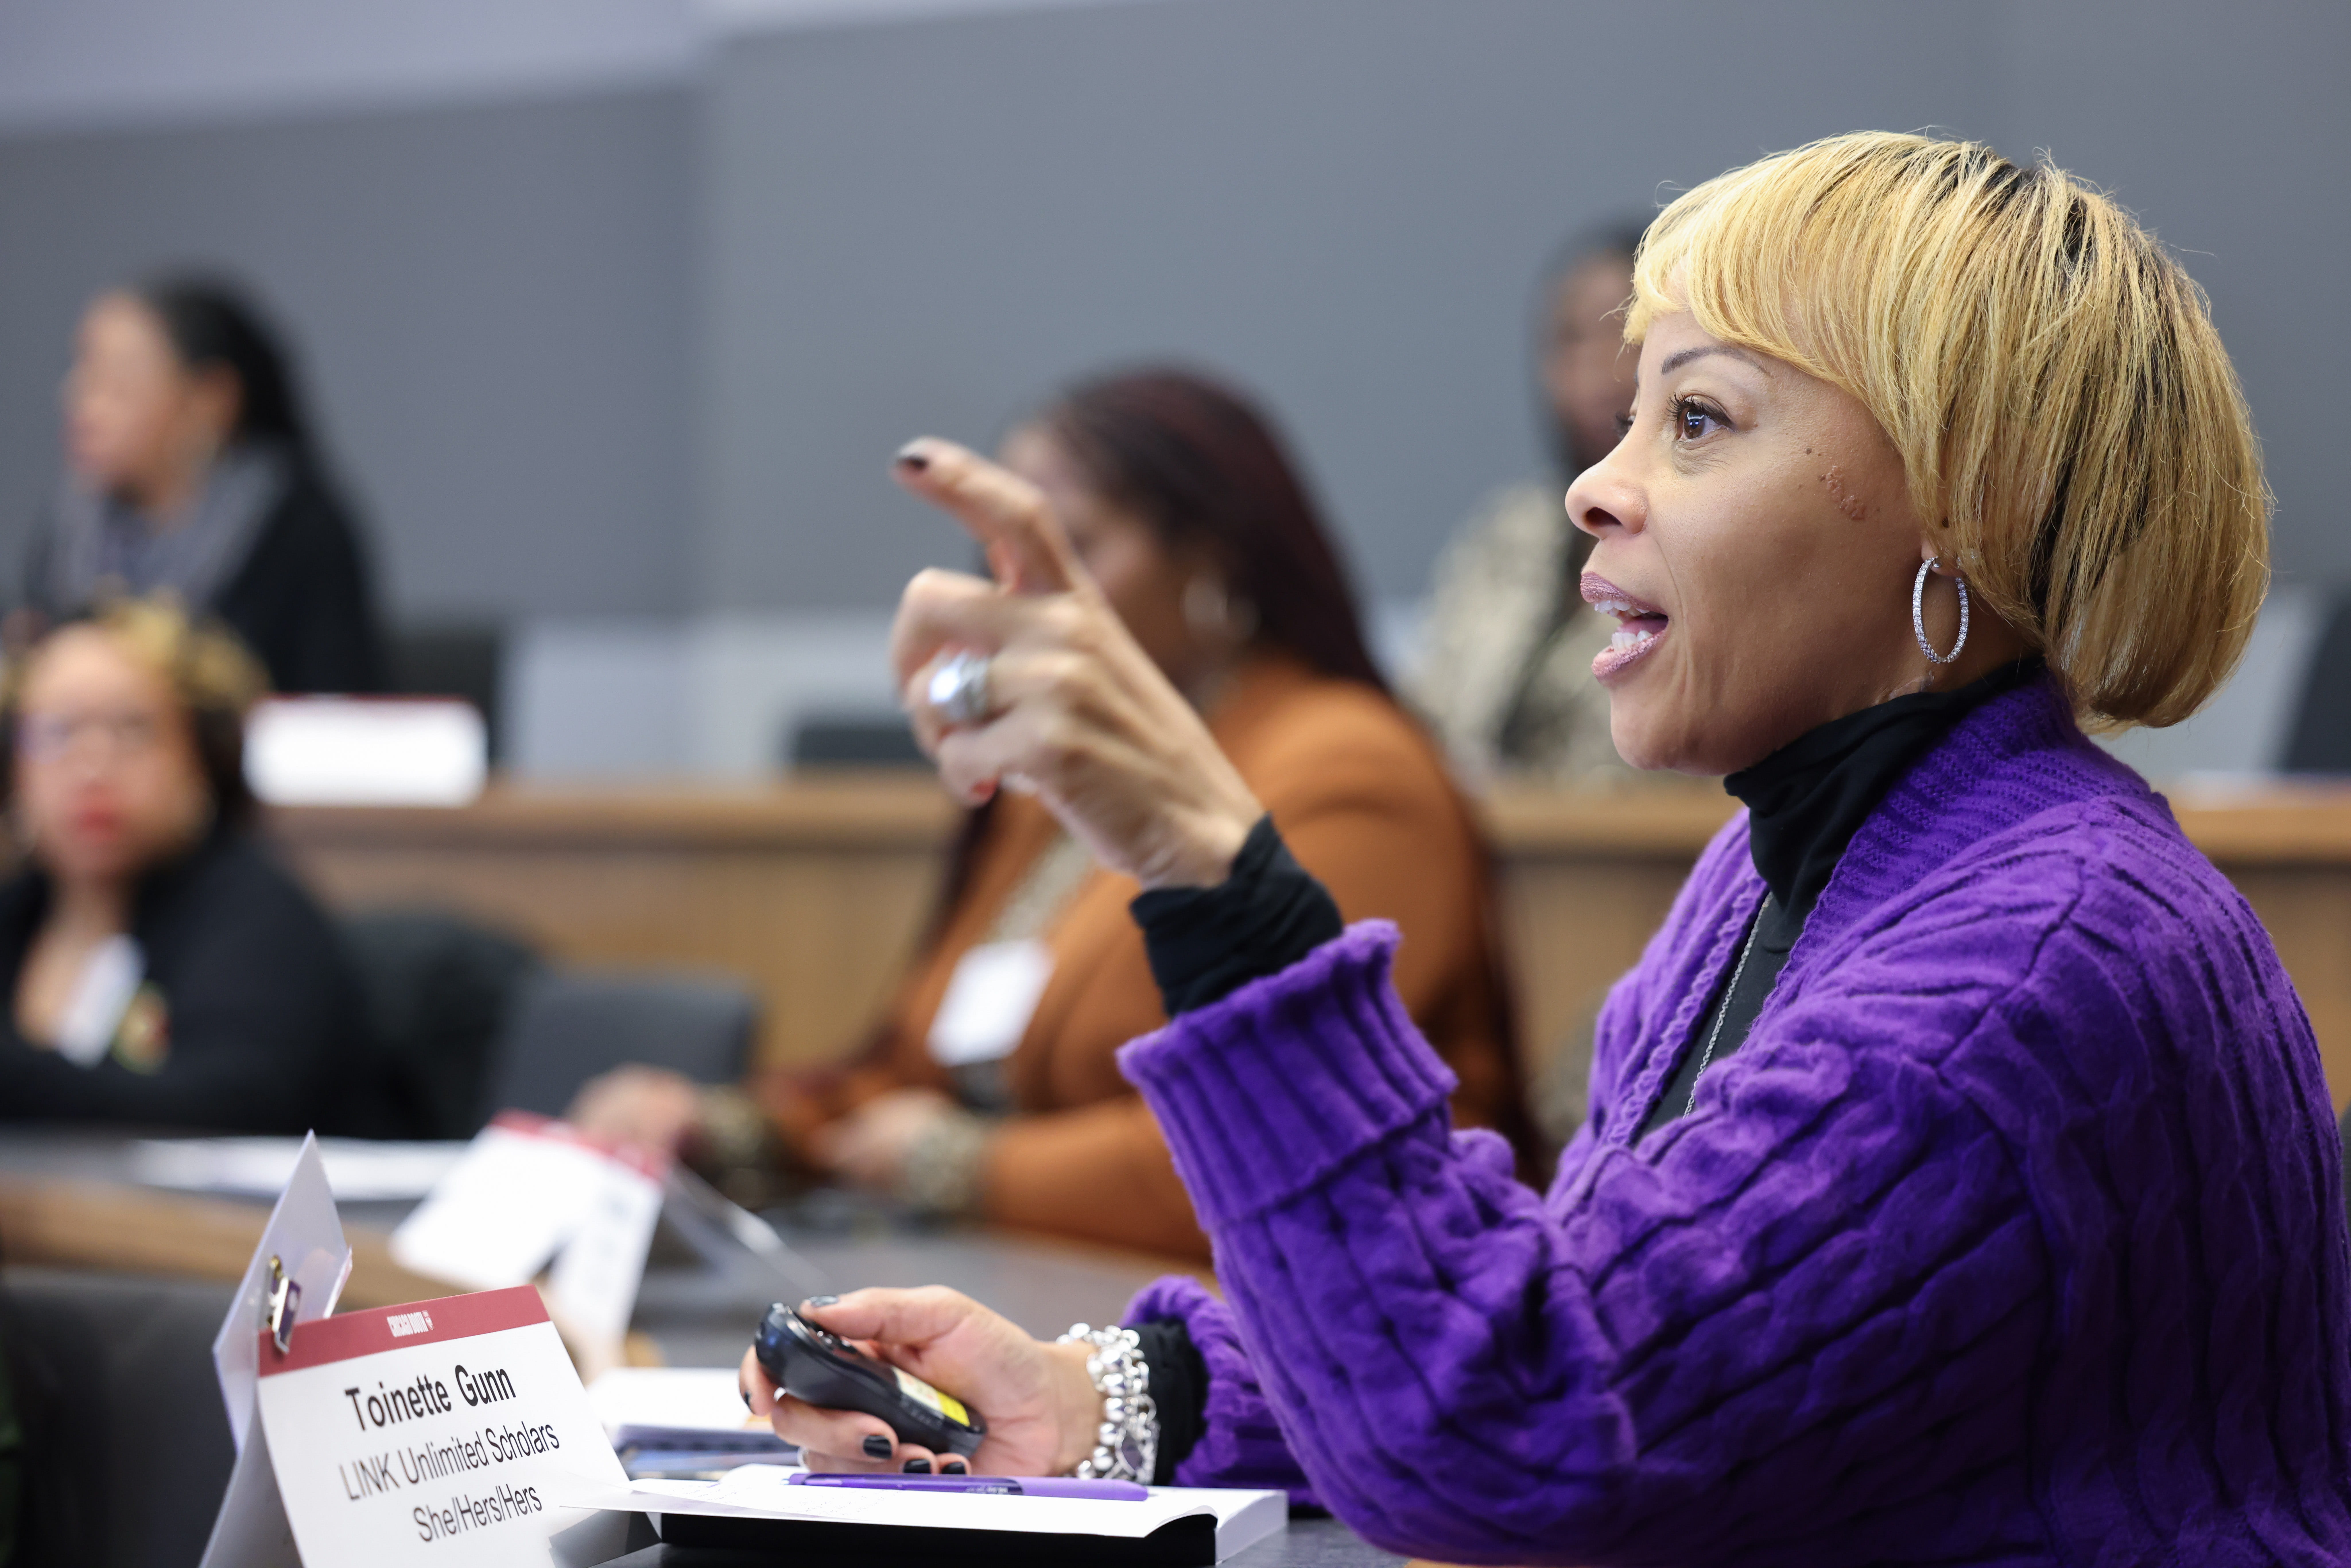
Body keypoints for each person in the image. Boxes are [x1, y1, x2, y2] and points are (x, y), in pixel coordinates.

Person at [741, 133, 2349, 1562]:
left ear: (1969, 512)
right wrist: (1103, 1392)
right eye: (1631, 413)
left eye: (1700, 418)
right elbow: (1599, 1306)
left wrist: (1213, 872)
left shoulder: (2033, 963)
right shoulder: (1791, 869)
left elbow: (1526, 1427)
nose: (1595, 484)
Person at [571, 368, 1522, 1259]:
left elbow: (1293, 1131)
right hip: (1035, 1283)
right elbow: (918, 1070)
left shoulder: (1350, 767)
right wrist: (728, 1131)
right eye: (1002, 556)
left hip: (1293, 1326)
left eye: (1079, 545)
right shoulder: (1073, 769)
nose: (1022, 593)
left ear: (1213, 563)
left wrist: (966, 1168)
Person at [0, 598, 364, 1131]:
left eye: (132, 730)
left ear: (200, 760)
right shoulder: (15, 914)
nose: (93, 767)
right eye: (58, 733)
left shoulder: (258, 919)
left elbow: (225, 1103)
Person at [16, 275, 388, 695]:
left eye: (116, 382)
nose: (78, 400)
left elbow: (331, 713)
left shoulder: (297, 529)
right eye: (81, 371)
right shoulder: (67, 536)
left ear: (211, 400)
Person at [1405, 224, 1644, 784]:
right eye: (1569, 339)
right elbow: (1427, 714)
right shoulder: (1508, 533)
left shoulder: (1709, 541)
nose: (1594, 369)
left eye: (1623, 332)